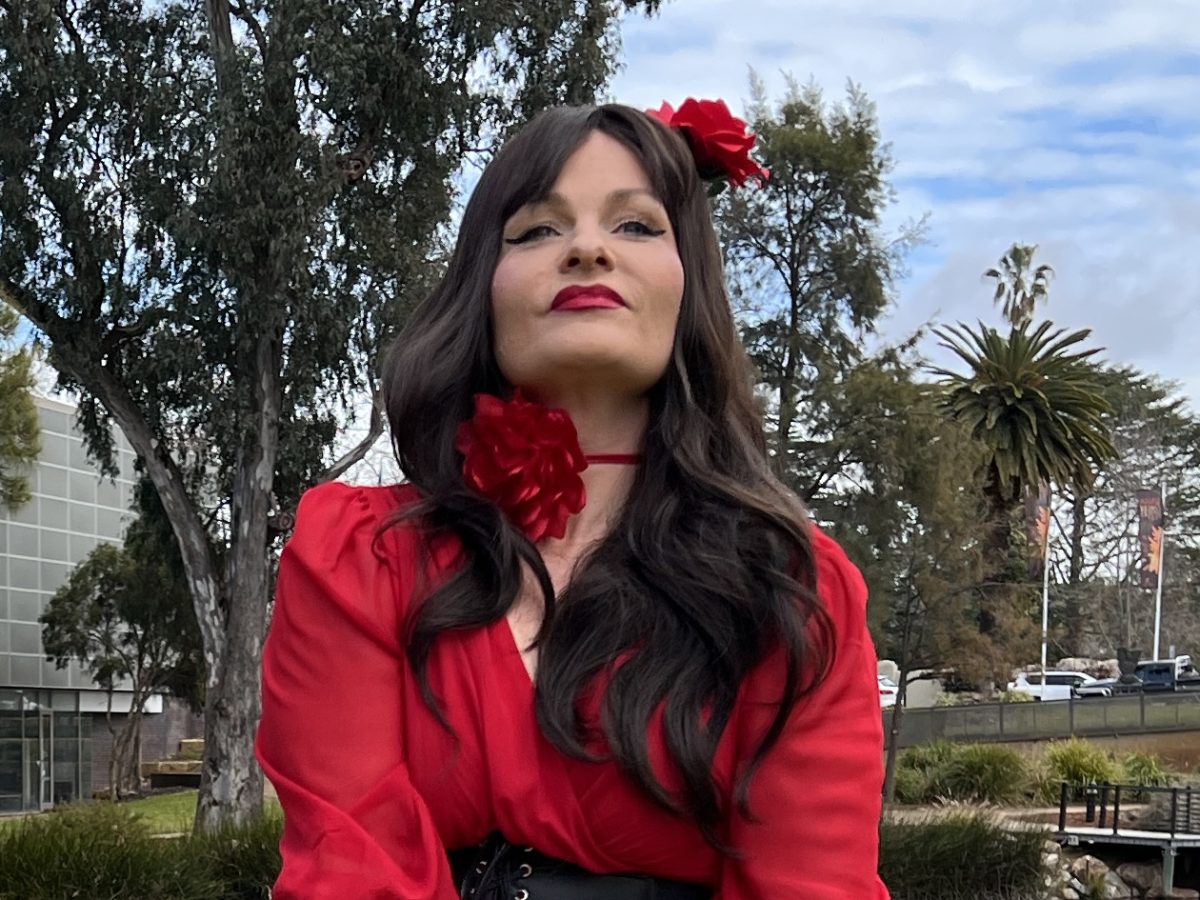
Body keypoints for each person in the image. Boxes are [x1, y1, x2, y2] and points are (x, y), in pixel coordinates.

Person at [256, 98, 890, 899]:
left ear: (690, 281)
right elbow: (349, 874)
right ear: (482, 287)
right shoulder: (357, 558)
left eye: (635, 225)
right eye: (537, 230)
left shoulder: (793, 593)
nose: (587, 248)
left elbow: (812, 884)